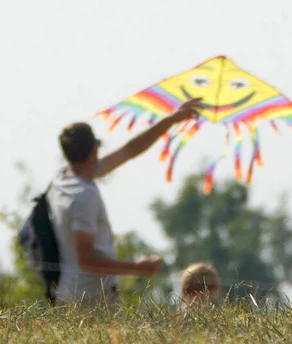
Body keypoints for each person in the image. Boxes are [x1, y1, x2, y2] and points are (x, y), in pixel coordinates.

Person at [48, 99, 203, 304]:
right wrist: (137, 268)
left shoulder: (63, 180)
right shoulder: (84, 195)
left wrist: (172, 119)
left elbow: (130, 150)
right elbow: (86, 259)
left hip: (69, 293)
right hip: (91, 299)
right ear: (94, 149)